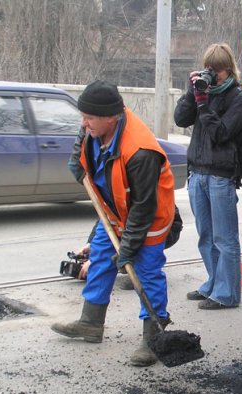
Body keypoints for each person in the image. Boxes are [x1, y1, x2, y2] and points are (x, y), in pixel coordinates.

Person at [51, 80, 175, 367]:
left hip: (150, 216)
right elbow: (81, 149)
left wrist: (129, 248)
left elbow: (144, 208)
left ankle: (153, 338)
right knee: (100, 260)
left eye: (89, 118)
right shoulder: (94, 126)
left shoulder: (141, 151)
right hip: (115, 211)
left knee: (146, 272)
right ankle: (91, 323)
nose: (83, 123)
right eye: (83, 117)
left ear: (111, 117)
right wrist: (76, 160)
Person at [174, 43, 242, 310]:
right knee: (206, 236)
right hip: (197, 174)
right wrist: (191, 92)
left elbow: (220, 134)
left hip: (220, 177)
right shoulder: (202, 93)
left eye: (215, 70)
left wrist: (204, 106)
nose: (211, 75)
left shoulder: (239, 99)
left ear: (227, 70)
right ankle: (213, 283)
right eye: (207, 69)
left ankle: (227, 294)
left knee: (225, 239)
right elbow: (180, 119)